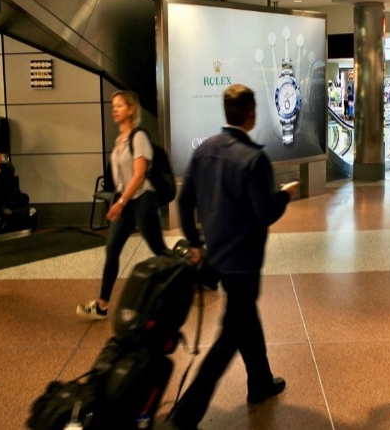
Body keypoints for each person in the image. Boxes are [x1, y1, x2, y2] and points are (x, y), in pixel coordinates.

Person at [167, 84, 299, 430]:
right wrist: (284, 195)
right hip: (245, 261)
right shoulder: (254, 159)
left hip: (218, 257)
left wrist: (196, 245)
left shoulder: (205, 151)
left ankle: (260, 382)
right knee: (228, 339)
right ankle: (184, 415)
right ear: (251, 114)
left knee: (245, 319)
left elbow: (184, 202)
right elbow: (266, 212)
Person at [77, 90, 168, 320]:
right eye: (113, 105)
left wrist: (120, 202)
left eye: (119, 105)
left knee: (159, 249)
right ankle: (102, 306)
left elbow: (138, 176)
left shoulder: (138, 137)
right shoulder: (119, 141)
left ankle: (188, 278)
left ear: (131, 109)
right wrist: (120, 201)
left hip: (142, 201)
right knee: (112, 251)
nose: (114, 109)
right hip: (126, 201)